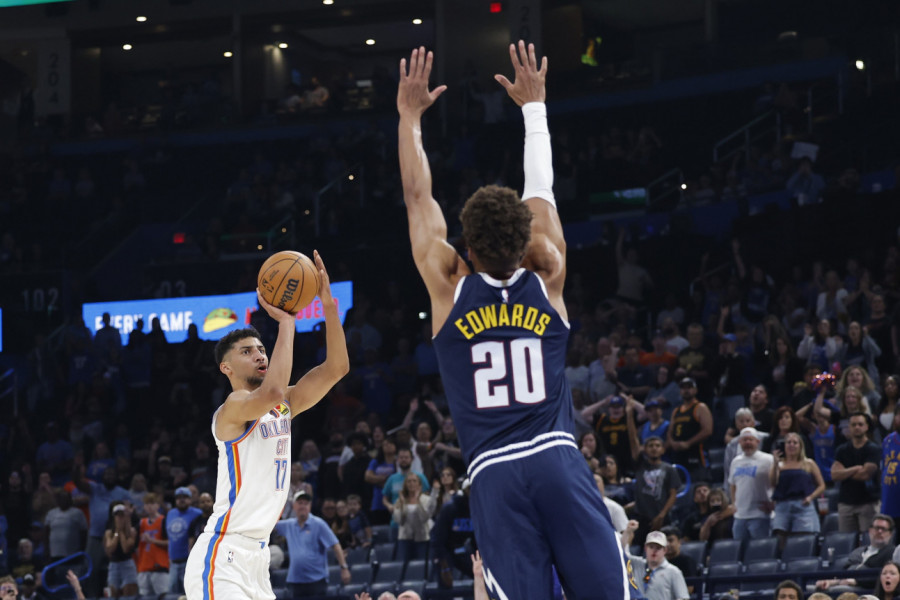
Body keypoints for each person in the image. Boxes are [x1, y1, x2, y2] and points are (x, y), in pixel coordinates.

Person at [397, 42, 625, 599]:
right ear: (524, 241)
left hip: (494, 476)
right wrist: (534, 108)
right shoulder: (547, 271)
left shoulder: (448, 285)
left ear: (465, 248)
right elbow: (540, 190)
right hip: (557, 459)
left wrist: (409, 119)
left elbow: (416, 196)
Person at [183, 255, 349, 600]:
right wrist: (287, 324)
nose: (260, 355)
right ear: (226, 368)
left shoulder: (283, 406)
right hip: (222, 556)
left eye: (261, 348)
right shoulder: (232, 409)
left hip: (257, 558)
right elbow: (272, 391)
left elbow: (336, 368)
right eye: (247, 351)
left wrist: (327, 304)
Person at [274, 491, 351, 596]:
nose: (303, 506)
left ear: (310, 506)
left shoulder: (318, 524)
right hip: (295, 581)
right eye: (300, 503)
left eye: (306, 503)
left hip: (316, 580)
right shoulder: (289, 525)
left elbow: (336, 545)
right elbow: (269, 524)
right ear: (294, 506)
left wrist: (344, 568)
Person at [769, 431, 826, 548]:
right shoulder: (779, 464)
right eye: (788, 442)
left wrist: (811, 497)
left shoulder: (809, 463)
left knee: (804, 541)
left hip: (803, 505)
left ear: (800, 446)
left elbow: (821, 486)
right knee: (780, 541)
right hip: (782, 507)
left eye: (795, 442)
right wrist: (775, 464)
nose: (791, 445)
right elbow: (772, 483)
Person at [817, 514, 896, 592]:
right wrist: (830, 582)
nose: (879, 531)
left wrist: (857, 581)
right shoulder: (858, 551)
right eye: (877, 528)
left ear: (890, 533)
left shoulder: (892, 552)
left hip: (867, 590)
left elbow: (886, 577)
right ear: (870, 530)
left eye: (883, 529)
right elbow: (844, 572)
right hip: (845, 584)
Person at [832, 413, 881, 533]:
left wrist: (845, 471)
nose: (857, 427)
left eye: (860, 424)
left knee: (868, 541)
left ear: (866, 427)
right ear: (849, 427)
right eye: (853, 424)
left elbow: (865, 475)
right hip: (846, 503)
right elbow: (834, 475)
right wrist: (855, 469)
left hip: (868, 502)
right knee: (846, 542)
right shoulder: (841, 450)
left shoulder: (874, 449)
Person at [728, 427, 774, 540]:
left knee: (760, 551)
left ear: (757, 442)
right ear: (740, 442)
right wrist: (734, 503)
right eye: (744, 440)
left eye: (750, 439)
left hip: (760, 515)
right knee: (739, 551)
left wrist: (774, 504)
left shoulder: (768, 459)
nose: (747, 442)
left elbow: (777, 482)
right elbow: (732, 485)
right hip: (740, 516)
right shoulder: (735, 461)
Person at [625, 530, 690, 600]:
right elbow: (621, 553)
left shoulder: (673, 572)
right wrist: (628, 531)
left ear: (665, 550)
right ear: (645, 548)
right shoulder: (637, 564)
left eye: (658, 548)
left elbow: (683, 598)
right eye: (651, 547)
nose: (654, 551)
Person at [166, 486, 201, 593]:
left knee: (189, 592)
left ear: (190, 499)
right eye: (178, 497)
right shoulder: (170, 513)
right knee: (172, 593)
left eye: (185, 497)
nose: (181, 500)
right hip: (173, 561)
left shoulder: (197, 513)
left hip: (189, 560)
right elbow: (169, 537)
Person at [392, 473, 434, 563]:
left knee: (421, 564)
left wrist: (418, 500)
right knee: (402, 564)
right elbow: (398, 520)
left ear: (419, 484)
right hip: (405, 537)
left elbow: (424, 518)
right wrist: (402, 504)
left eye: (414, 481)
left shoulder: (426, 499)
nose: (411, 483)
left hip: (422, 537)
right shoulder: (400, 500)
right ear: (405, 485)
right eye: (409, 481)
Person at [136, 493, 169, 596]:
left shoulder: (164, 521)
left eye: (152, 503)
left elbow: (170, 543)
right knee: (144, 596)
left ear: (157, 505)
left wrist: (153, 541)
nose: (149, 506)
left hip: (160, 566)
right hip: (144, 566)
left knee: (163, 595)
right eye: (147, 504)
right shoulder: (141, 523)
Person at [104, 502, 138, 598]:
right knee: (113, 594)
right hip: (113, 565)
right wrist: (117, 532)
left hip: (127, 564)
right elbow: (110, 549)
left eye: (122, 515)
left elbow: (125, 548)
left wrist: (121, 531)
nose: (119, 518)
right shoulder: (109, 532)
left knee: (129, 595)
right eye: (117, 516)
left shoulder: (132, 532)